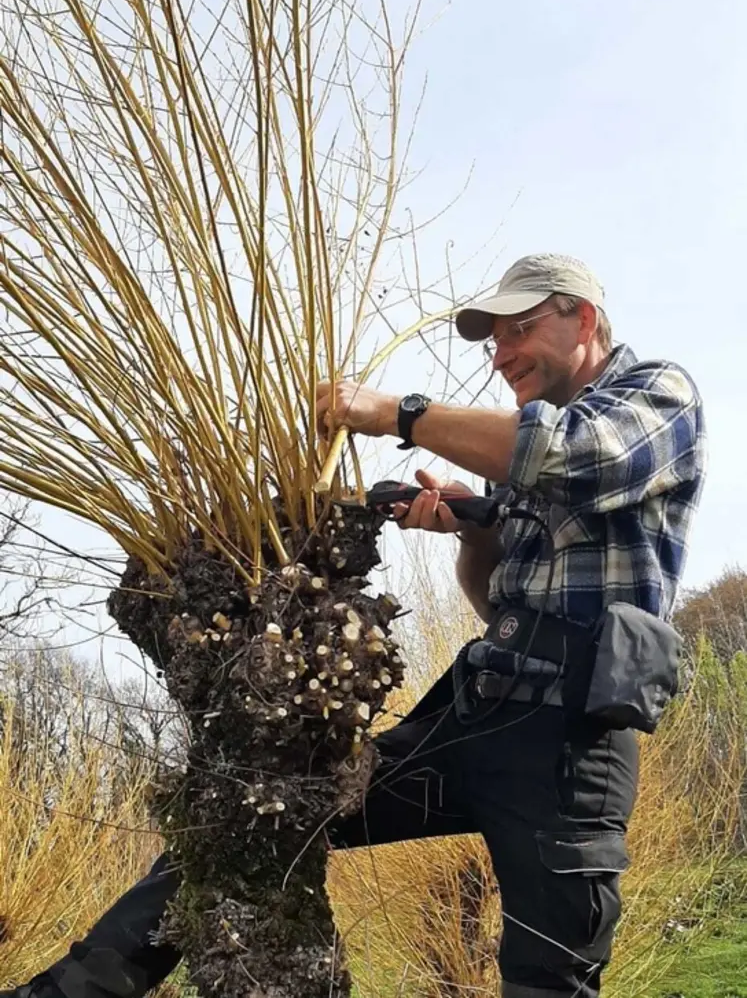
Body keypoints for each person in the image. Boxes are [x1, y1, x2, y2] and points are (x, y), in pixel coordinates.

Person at [3, 253, 706, 998]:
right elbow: (495, 605)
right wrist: (471, 531)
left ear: (583, 318)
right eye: (491, 340)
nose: (500, 355)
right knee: (254, 812)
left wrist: (396, 414)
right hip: (474, 720)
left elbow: (565, 452)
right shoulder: (513, 461)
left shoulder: (657, 394)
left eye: (519, 330)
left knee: (547, 982)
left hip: (568, 747)